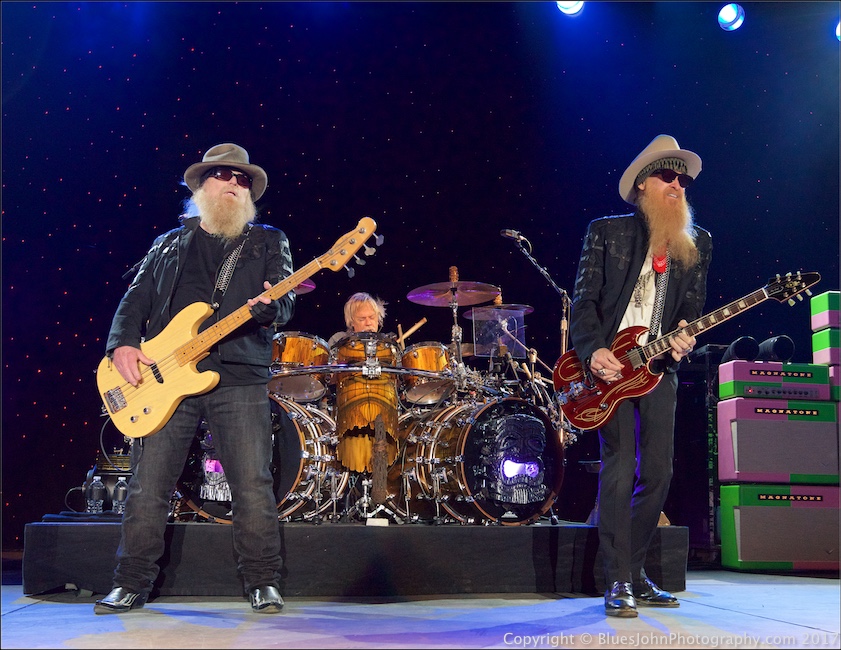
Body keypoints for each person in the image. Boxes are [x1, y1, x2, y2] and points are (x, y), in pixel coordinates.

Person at [94, 143, 295, 615]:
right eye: (224, 175)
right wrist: (122, 344)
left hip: (239, 374)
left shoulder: (268, 241)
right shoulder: (167, 244)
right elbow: (136, 297)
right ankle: (130, 582)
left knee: (250, 483)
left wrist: (272, 306)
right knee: (148, 485)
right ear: (202, 185)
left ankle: (263, 581)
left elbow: (284, 304)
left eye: (243, 179)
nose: (234, 184)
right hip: (164, 377)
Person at [567, 134, 712, 617]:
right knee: (618, 465)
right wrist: (592, 351)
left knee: (658, 471)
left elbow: (690, 312)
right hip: (609, 370)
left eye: (683, 179)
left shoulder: (698, 244)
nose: (678, 186)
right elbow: (583, 301)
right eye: (667, 177)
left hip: (658, 369)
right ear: (643, 186)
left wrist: (684, 339)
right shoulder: (607, 233)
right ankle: (617, 581)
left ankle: (634, 573)